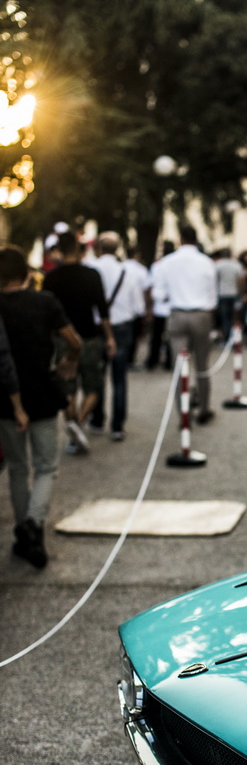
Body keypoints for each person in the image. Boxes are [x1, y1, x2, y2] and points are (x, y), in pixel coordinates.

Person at [0, 245, 82, 567]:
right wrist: (69, 361)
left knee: (18, 468)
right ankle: (35, 524)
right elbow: (73, 340)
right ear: (26, 273)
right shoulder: (44, 302)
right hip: (44, 392)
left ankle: (24, 530)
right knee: (47, 465)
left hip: (6, 398)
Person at [42, 230, 117, 454]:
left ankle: (74, 426)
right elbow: (102, 310)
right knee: (94, 386)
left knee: (68, 387)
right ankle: (81, 423)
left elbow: (46, 314)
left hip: (63, 339)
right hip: (90, 337)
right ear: (78, 248)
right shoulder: (91, 275)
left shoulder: (51, 278)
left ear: (58, 251)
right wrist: (110, 337)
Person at [152, 224, 218, 423]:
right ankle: (204, 408)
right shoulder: (206, 262)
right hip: (201, 315)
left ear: (181, 239)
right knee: (202, 366)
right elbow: (213, 297)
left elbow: (158, 294)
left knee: (179, 367)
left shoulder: (168, 262)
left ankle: (183, 414)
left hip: (178, 315)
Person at [93, 231, 147, 441]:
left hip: (97, 328)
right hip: (123, 327)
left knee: (98, 377)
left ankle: (97, 419)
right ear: (117, 249)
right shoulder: (128, 272)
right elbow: (138, 308)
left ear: (99, 248)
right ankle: (117, 426)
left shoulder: (92, 268)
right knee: (119, 378)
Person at [146, 240, 175, 371]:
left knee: (156, 336)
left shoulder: (157, 266)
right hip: (172, 306)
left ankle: (153, 360)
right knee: (170, 336)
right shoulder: (175, 265)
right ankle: (169, 361)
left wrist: (149, 306)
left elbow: (152, 286)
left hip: (160, 305)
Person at [212, 248, 244, 342]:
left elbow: (213, 280)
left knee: (225, 317)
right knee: (234, 317)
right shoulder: (236, 265)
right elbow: (241, 280)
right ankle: (235, 338)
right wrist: (240, 292)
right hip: (234, 294)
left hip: (222, 294)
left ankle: (227, 339)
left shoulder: (218, 265)